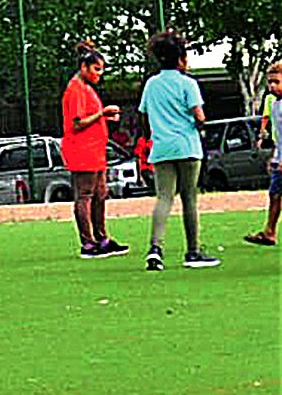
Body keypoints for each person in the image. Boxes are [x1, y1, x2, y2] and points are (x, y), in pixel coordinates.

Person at [136, 32, 218, 270]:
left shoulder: (151, 84)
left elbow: (144, 115)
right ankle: (193, 252)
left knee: (163, 197)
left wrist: (154, 133)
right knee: (189, 198)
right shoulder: (188, 83)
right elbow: (200, 117)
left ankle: (155, 248)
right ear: (181, 58)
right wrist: (198, 125)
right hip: (188, 146)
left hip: (161, 147)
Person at [61, 44, 128, 258]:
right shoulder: (76, 89)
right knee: (85, 195)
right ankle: (88, 243)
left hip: (95, 150)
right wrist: (101, 114)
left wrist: (104, 116)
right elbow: (77, 122)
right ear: (84, 67)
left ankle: (102, 239)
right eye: (96, 69)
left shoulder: (86, 88)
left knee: (100, 194)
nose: (100, 74)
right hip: (82, 150)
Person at [243, 61, 281, 248]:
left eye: (277, 82)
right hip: (279, 157)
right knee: (274, 194)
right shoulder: (273, 104)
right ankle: (269, 232)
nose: (272, 86)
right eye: (270, 82)